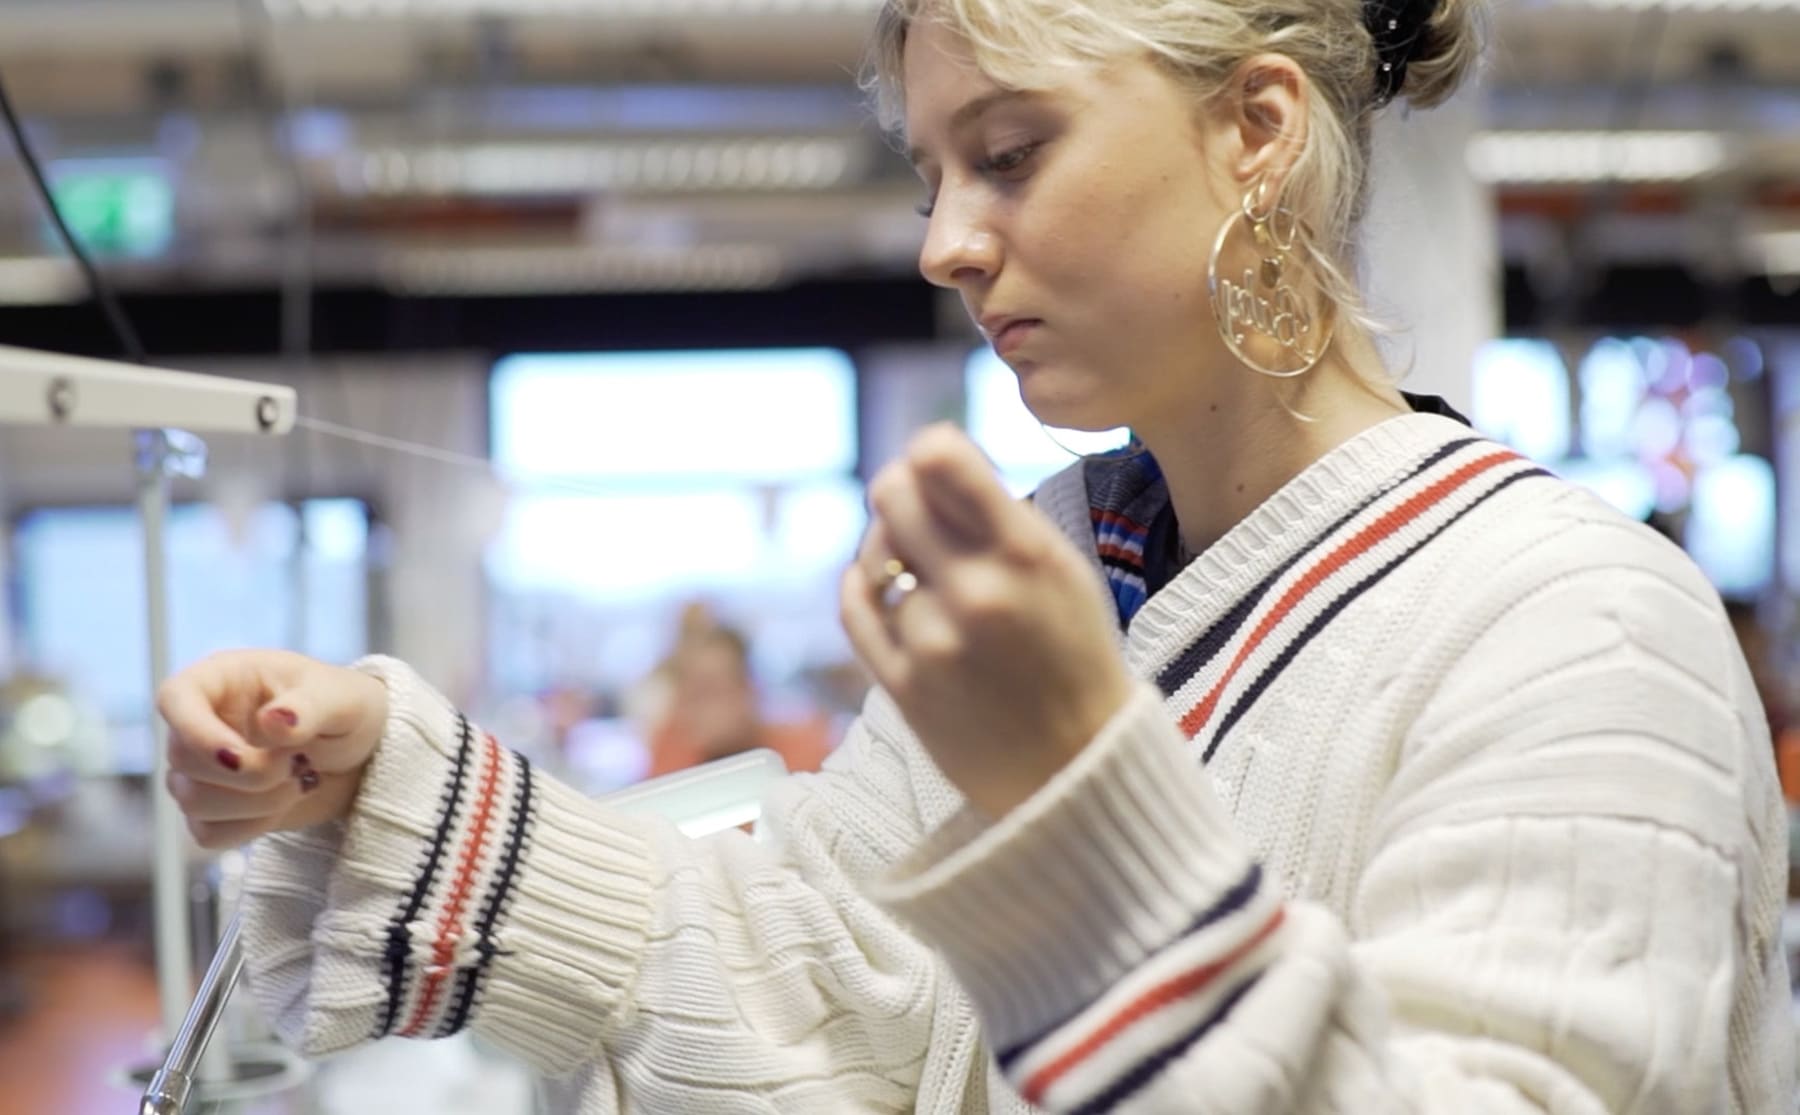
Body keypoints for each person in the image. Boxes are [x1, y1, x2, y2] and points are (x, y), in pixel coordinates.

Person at [154, 0, 1795, 1111]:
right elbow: (828, 987)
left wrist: (1081, 805)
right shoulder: (1077, 553)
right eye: (934, 173)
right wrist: (393, 793)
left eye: (1009, 156)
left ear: (1257, 130)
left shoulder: (1576, 625)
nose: (946, 242)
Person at [643, 625, 834, 778]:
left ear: (748, 688)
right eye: (690, 694)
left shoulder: (803, 754)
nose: (698, 710)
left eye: (711, 691)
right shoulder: (672, 753)